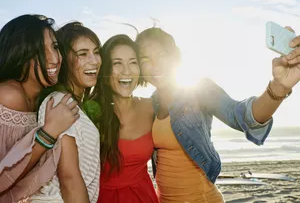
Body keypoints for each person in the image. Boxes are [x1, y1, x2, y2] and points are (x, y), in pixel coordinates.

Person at [135, 27, 300, 203]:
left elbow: (240, 115)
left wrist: (279, 87)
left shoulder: (197, 90)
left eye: (161, 54)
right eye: (145, 59)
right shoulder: (150, 104)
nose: (155, 65)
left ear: (173, 56)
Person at [0, 14, 79, 203]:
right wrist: (49, 132)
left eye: (55, 47)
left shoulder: (39, 99)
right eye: (39, 51)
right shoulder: (9, 95)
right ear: (19, 54)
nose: (54, 59)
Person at [28, 22, 102, 203]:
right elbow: (69, 179)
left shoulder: (70, 103)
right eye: (82, 54)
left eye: (97, 52)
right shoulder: (61, 103)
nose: (94, 60)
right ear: (64, 60)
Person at [96, 34, 158, 203]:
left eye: (133, 63)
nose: (127, 71)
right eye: (117, 63)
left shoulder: (152, 107)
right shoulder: (90, 113)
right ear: (105, 69)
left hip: (145, 197)